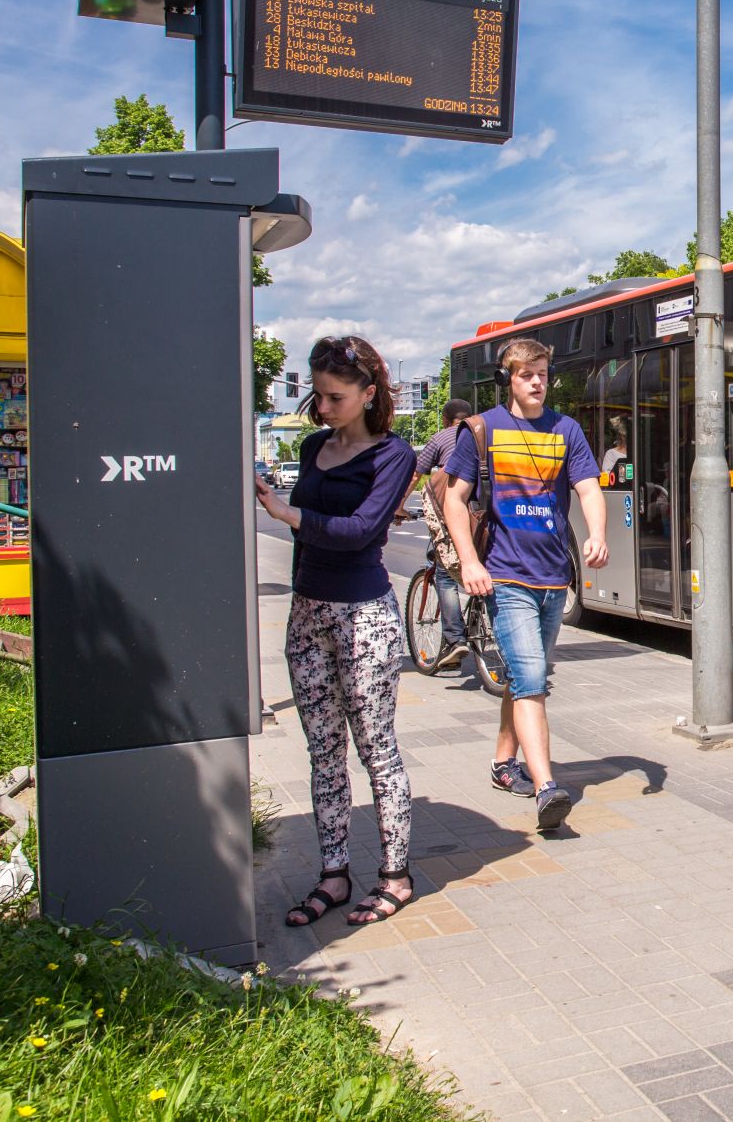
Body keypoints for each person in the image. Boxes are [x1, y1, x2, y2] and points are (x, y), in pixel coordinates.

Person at [255, 335, 419, 927]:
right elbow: (313, 533)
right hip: (308, 615)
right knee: (323, 753)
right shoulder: (312, 446)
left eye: (336, 397)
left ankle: (396, 876)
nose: (323, 408)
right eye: (319, 396)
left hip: (364, 618)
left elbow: (361, 531)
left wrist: (290, 514)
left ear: (368, 394)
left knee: (377, 750)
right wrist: (282, 507)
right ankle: (333, 874)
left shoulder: (393, 455)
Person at [443, 337, 609, 830]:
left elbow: (587, 487)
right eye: (527, 374)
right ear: (508, 380)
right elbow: (456, 501)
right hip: (505, 576)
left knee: (521, 674)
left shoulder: (566, 430)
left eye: (542, 373)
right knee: (533, 678)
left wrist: (597, 533)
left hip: (553, 577)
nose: (537, 382)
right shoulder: (482, 430)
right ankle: (546, 787)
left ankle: (502, 763)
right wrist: (470, 563)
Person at [403, 398, 476, 672]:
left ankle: (455, 639)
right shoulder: (482, 434)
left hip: (453, 512)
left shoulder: (441, 437)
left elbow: (415, 476)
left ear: (446, 420)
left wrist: (398, 506)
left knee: (445, 573)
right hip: (484, 513)